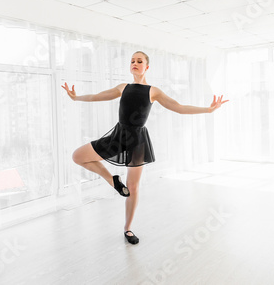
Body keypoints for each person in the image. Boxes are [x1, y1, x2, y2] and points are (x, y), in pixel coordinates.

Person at [61, 51, 228, 244]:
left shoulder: (153, 91)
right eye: (132, 61)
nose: (135, 63)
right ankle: (113, 180)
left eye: (139, 61)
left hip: (137, 141)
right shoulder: (123, 87)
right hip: (118, 135)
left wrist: (208, 109)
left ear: (146, 67)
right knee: (78, 156)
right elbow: (98, 96)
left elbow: (179, 107)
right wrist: (76, 98)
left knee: (133, 187)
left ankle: (128, 229)